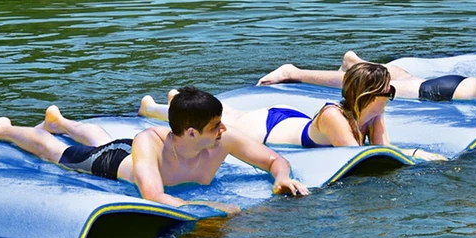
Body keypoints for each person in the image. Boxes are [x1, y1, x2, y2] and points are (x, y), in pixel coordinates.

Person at [0, 86, 309, 215]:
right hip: (116, 161)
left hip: (135, 156)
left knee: (98, 136)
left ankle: (60, 120)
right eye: (215, 125)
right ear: (191, 132)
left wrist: (281, 178)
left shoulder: (223, 140)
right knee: (55, 152)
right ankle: (3, 128)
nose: (224, 129)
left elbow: (273, 159)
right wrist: (211, 207)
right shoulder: (150, 141)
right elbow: (154, 196)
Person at [257, 26, 476, 116]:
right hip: (446, 92)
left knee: (396, 77)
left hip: (456, 88)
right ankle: (295, 72)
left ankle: (356, 61)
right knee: (377, 86)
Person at [139, 63, 445, 162]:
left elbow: (383, 148)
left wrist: (417, 156)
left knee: (230, 112)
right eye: (388, 92)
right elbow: (360, 155)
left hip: (292, 120)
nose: (391, 97)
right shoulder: (335, 117)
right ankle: (155, 107)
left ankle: (176, 99)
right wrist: (418, 155)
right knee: (226, 121)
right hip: (268, 128)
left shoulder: (374, 113)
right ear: (369, 96)